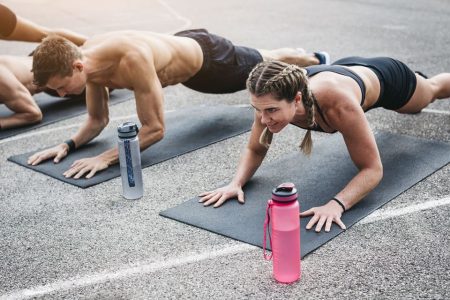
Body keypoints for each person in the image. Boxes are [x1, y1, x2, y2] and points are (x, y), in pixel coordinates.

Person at [27, 29, 330, 179]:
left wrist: (104, 158)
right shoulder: (88, 63)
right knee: (259, 54)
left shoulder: (131, 58)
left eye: (63, 87)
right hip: (185, 52)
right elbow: (96, 120)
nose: (64, 95)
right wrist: (67, 145)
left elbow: (155, 129)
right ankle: (302, 55)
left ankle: (315, 64)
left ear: (77, 67)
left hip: (210, 64)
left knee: (262, 61)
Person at [198, 57, 450, 232]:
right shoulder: (267, 100)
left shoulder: (338, 105)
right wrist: (236, 183)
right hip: (344, 68)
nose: (263, 119)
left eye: (272, 111)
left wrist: (337, 205)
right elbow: (256, 147)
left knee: (431, 91)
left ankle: (421, 82)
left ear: (297, 100)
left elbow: (372, 169)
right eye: (259, 110)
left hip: (387, 77)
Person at [0, 3, 87, 130]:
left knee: (103, 74)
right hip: (36, 66)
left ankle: (96, 42)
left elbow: (33, 114)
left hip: (53, 72)